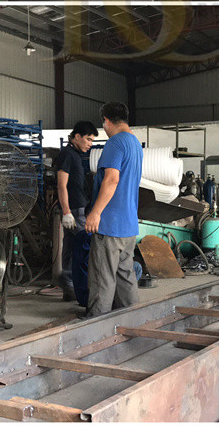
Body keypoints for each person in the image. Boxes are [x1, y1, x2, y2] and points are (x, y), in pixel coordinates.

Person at [84, 101, 143, 317]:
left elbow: (112, 180)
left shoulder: (115, 143)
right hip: (129, 226)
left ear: (106, 121)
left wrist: (95, 212)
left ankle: (96, 329)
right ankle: (131, 321)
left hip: (110, 225)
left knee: (102, 280)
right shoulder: (135, 143)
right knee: (125, 278)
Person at [54, 120, 98, 300]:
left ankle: (69, 288)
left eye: (92, 140)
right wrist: (66, 212)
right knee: (85, 245)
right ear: (77, 136)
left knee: (72, 247)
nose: (90, 144)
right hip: (74, 210)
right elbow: (61, 185)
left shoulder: (76, 155)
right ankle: (69, 280)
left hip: (78, 208)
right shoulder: (67, 154)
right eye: (88, 139)